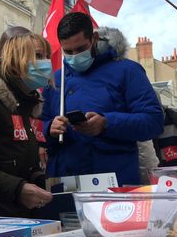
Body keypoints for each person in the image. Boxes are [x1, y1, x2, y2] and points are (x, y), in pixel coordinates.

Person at [42, 14, 164, 185]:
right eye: (68, 52)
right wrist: (49, 128)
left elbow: (154, 122)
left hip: (114, 183)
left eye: (80, 49)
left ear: (94, 38)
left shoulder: (128, 71)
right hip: (64, 181)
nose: (74, 56)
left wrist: (107, 123)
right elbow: (38, 126)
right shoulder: (55, 80)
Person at [0, 32, 53, 216]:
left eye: (47, 56)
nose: (46, 62)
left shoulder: (26, 102)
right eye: (38, 56)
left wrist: (37, 179)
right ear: (15, 58)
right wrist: (18, 189)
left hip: (17, 212)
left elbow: (16, 157)